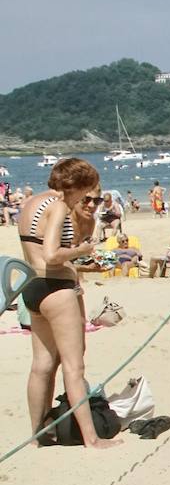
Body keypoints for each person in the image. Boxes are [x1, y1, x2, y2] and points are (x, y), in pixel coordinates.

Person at [16, 158, 121, 450]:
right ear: (78, 185)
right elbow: (51, 255)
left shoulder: (30, 203)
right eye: (87, 192)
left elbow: (36, 249)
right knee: (74, 367)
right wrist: (82, 249)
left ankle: (38, 435)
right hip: (56, 287)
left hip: (32, 287)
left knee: (42, 365)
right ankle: (91, 438)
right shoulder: (59, 206)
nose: (87, 199)